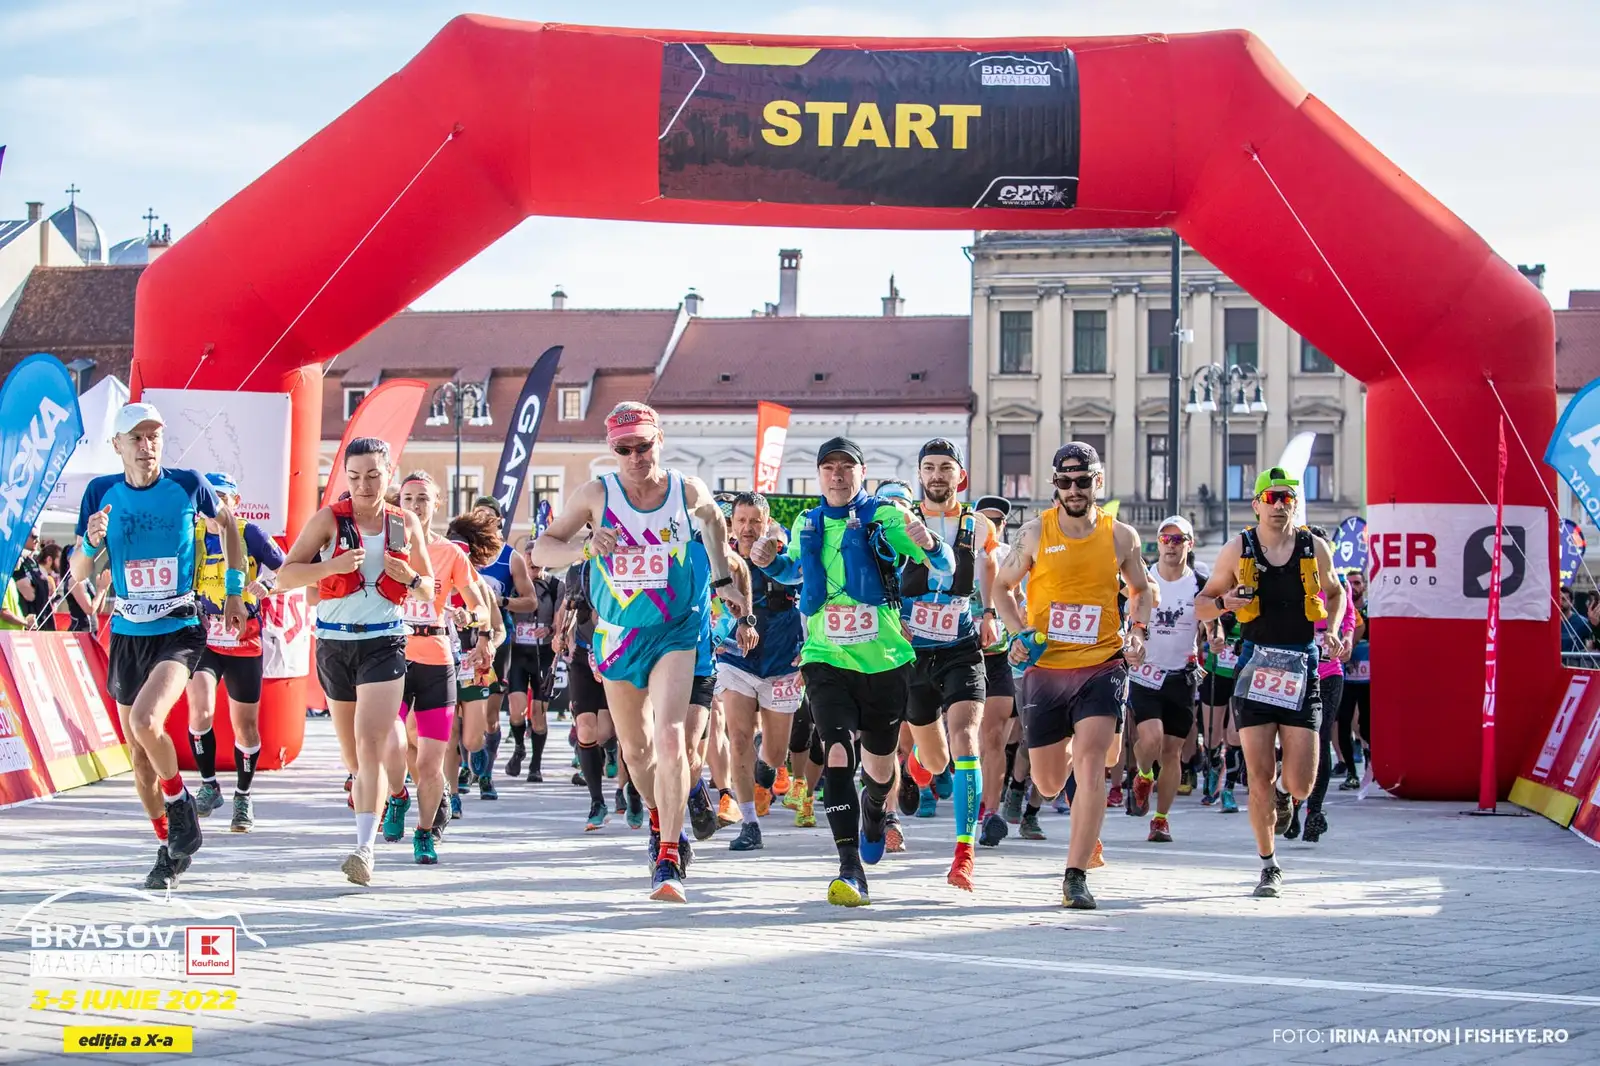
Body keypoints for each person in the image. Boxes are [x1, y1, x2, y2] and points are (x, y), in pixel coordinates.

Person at [531, 402, 744, 902]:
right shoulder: (595, 495)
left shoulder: (686, 490)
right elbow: (542, 549)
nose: (634, 457)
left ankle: (668, 853)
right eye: (623, 449)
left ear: (659, 440)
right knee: (637, 752)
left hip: (675, 626)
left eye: (642, 446)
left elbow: (714, 524)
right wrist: (585, 547)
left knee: (671, 740)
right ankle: (658, 815)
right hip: (619, 632)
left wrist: (720, 579)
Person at [753, 437, 953, 907]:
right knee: (839, 755)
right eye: (829, 467)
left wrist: (930, 541)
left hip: (884, 659)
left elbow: (941, 566)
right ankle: (849, 868)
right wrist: (772, 563)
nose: (837, 475)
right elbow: (796, 573)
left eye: (847, 467)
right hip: (826, 657)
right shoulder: (808, 520)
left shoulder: (886, 516)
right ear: (820, 474)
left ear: (862, 473)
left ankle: (875, 809)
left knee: (879, 769)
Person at [72, 402, 247, 891]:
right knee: (141, 760)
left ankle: (180, 802)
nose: (146, 446)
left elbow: (229, 525)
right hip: (129, 633)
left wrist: (233, 589)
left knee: (145, 720)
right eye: (136, 438)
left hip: (179, 626)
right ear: (118, 446)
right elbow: (80, 571)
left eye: (154, 437)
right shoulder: (100, 492)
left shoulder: (188, 483)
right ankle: (168, 847)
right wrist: (90, 544)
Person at [995, 441, 1149, 910]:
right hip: (1046, 668)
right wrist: (1018, 631)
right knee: (1046, 781)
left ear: (1097, 483)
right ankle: (1084, 822)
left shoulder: (1121, 536)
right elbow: (1002, 588)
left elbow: (1140, 589)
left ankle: (1075, 873)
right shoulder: (1033, 534)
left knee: (1091, 759)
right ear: (1054, 486)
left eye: (1083, 481)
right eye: (1065, 482)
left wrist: (1137, 631)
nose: (1074, 489)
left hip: (1101, 664)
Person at [276, 437, 433, 886]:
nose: (364, 485)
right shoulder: (329, 520)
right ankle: (381, 796)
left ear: (389, 473)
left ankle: (363, 850)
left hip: (385, 642)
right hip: (333, 643)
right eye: (356, 476)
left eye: (374, 475)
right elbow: (287, 575)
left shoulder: (403, 524)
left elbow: (429, 590)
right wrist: (331, 567)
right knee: (354, 758)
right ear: (346, 478)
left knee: (370, 744)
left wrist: (414, 578)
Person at [1196, 467, 1346, 899]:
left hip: (1301, 664)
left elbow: (1334, 593)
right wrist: (1225, 603)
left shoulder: (1313, 547)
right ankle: (1269, 864)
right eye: (1272, 497)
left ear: (1294, 505)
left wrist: (1332, 629)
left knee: (1301, 782)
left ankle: (1286, 793)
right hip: (1255, 666)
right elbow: (1201, 605)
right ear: (1256, 504)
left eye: (1287, 498)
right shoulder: (1236, 549)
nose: (1280, 505)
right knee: (1258, 775)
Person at [898, 440, 1001, 890]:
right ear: (920, 475)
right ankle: (919, 765)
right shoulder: (901, 522)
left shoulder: (976, 526)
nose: (937, 475)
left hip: (960, 646)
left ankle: (963, 853)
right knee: (937, 761)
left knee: (965, 742)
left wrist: (990, 614)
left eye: (945, 468)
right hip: (914, 651)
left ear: (960, 475)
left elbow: (991, 569)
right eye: (929, 468)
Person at [392, 471, 490, 863]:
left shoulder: (451, 553)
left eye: (422, 499)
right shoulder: (386, 545)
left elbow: (478, 604)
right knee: (391, 742)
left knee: (432, 762)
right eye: (408, 499)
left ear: (436, 505)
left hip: (436, 657)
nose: (414, 506)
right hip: (391, 655)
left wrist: (472, 618)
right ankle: (397, 796)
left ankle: (425, 832)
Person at [185, 472, 286, 834]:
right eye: (210, 498)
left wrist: (266, 583)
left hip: (244, 638)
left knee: (245, 726)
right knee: (201, 710)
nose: (216, 506)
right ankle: (209, 785)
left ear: (236, 502)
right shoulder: (193, 535)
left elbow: (286, 567)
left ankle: (243, 795)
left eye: (223, 498)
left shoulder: (249, 534)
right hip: (203, 636)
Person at [715, 492, 805, 853]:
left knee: (774, 753)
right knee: (736, 736)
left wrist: (809, 652)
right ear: (732, 524)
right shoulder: (722, 560)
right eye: (742, 520)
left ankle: (765, 768)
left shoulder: (787, 558)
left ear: (767, 523)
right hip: (737, 658)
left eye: (756, 521)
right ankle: (750, 823)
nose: (749, 528)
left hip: (783, 663)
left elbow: (812, 598)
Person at [1127, 516, 1204, 843]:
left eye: (1178, 539)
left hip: (1181, 676)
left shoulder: (1200, 582)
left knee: (1173, 753)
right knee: (1151, 739)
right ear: (1157, 543)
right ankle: (1143, 774)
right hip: (1145, 673)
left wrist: (1214, 636)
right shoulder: (1144, 579)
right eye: (1164, 539)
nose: (1170, 545)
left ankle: (1160, 819)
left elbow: (1211, 620)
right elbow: (1128, 613)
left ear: (1190, 544)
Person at [504, 541, 562, 782]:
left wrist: (549, 629)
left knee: (538, 715)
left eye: (538, 557)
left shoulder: (556, 585)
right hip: (518, 653)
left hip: (543, 655)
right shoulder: (514, 584)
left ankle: (535, 765)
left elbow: (561, 620)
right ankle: (519, 747)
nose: (533, 562)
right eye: (529, 556)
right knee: (516, 711)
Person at [13, 529, 56, 630]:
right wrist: (42, 589)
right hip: (29, 622)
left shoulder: (32, 561)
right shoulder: (17, 563)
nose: (37, 540)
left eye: (38, 537)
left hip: (43, 620)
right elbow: (29, 595)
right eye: (34, 537)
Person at [1559, 587, 1590, 654]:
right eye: (1558, 599)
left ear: (1572, 602)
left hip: (1574, 663)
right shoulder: (1550, 622)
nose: (1560, 602)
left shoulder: (1582, 622)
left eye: (1564, 599)